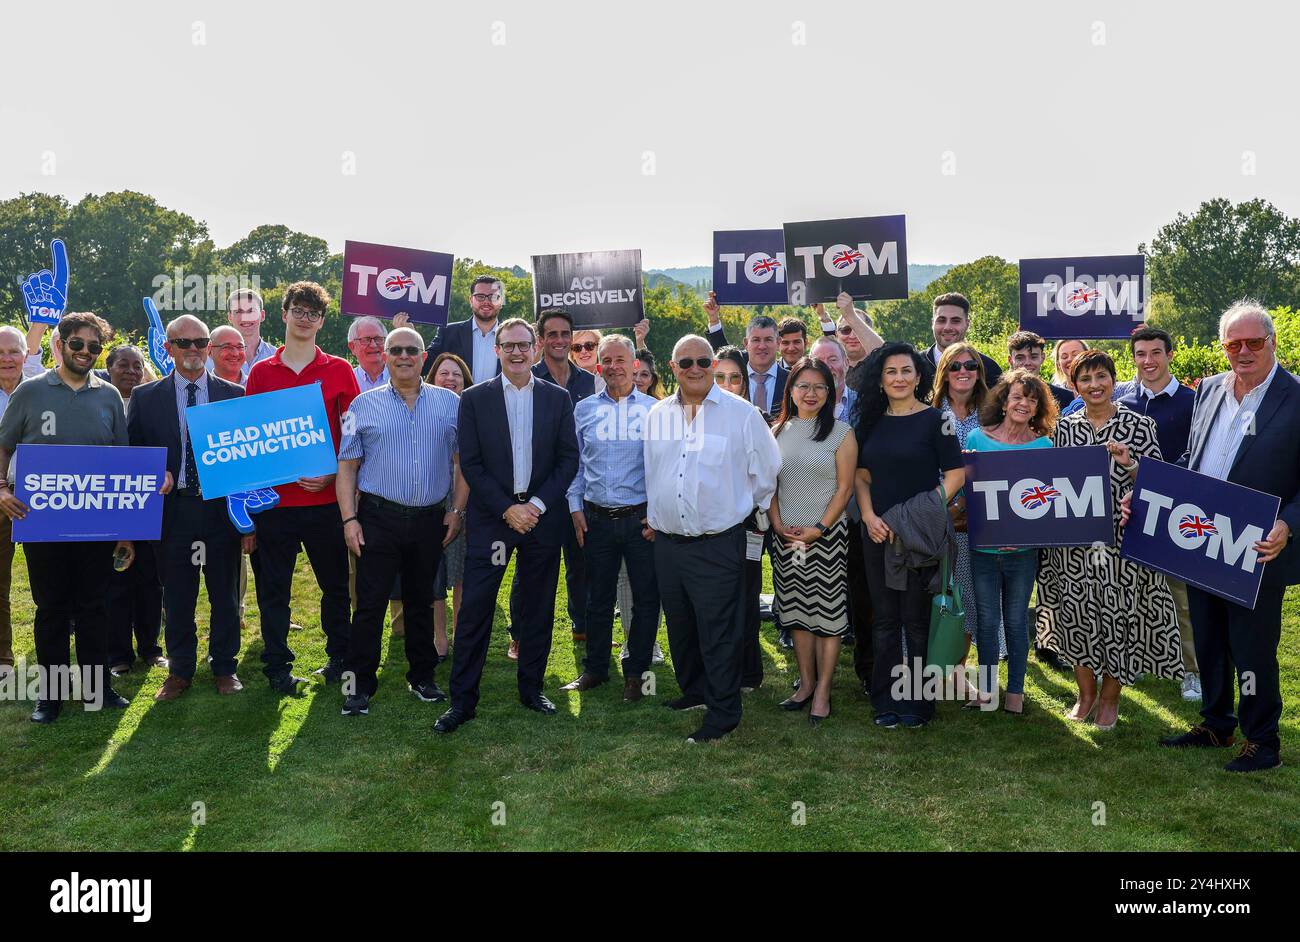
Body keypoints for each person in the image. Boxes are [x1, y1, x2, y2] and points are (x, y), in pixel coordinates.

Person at [1154, 301, 1300, 772]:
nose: (1243, 351)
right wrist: (1148, 486)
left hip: (1256, 546)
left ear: (1272, 342)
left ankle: (1262, 741)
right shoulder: (1210, 390)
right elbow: (1193, 461)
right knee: (1210, 637)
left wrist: (1289, 524)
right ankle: (1217, 721)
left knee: (1252, 646)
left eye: (1253, 342)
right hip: (1202, 539)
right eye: (1233, 344)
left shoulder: (1295, 397)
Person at [0, 312, 149, 723]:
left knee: (94, 606)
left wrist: (126, 532)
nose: (86, 352)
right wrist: (1, 489)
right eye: (78, 344)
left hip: (96, 523)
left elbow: (122, 465)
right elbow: (4, 445)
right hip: (42, 521)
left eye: (94, 347)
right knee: (51, 607)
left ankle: (97, 687)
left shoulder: (109, 398)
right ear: (60, 344)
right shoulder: (29, 392)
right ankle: (50, 695)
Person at [434, 318, 579, 734]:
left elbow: (568, 459)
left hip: (541, 520)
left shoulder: (557, 398)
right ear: (497, 349)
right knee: (476, 609)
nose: (516, 352)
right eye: (508, 346)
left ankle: (531, 689)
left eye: (523, 345)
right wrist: (506, 510)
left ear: (535, 349)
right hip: (493, 522)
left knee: (537, 607)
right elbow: (472, 464)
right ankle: (462, 701)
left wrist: (533, 505)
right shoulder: (475, 399)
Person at [1035, 350, 1181, 731]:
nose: (1094, 385)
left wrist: (1130, 464)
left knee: (1120, 618)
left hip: (1122, 540)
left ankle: (1111, 699)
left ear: (1114, 380)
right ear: (1074, 384)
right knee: (1077, 616)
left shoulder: (1139, 425)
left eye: (1102, 376)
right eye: (1085, 379)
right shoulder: (1063, 430)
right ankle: (1085, 695)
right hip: (1074, 544)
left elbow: (1158, 486)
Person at [645, 335, 781, 743]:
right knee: (681, 624)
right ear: (673, 368)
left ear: (712, 364)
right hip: (668, 543)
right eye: (686, 362)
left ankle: (723, 714)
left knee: (719, 629)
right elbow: (655, 471)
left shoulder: (741, 414)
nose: (695, 368)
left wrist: (741, 510)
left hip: (718, 541)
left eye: (703, 361)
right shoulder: (656, 415)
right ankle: (696, 691)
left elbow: (767, 472)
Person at [337, 326, 466, 716]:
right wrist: (349, 519)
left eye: (412, 349)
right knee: (370, 603)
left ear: (424, 357)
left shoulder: (450, 404)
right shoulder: (360, 406)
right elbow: (346, 467)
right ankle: (359, 685)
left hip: (430, 519)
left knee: (422, 601)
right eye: (396, 350)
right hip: (378, 517)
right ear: (386, 357)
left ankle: (422, 676)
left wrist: (456, 511)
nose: (404, 356)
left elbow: (462, 464)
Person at [245, 281, 360, 693]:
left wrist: (332, 474)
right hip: (274, 505)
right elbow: (250, 438)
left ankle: (340, 657)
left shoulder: (339, 370)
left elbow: (353, 436)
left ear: (322, 321)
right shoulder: (261, 372)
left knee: (334, 587)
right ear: (284, 314)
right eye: (299, 310)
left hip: (325, 500)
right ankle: (276, 666)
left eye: (314, 313)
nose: (306, 318)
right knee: (274, 590)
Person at [128, 314, 246, 700]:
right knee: (177, 594)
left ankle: (224, 667)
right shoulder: (146, 398)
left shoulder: (234, 394)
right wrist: (155, 473)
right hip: (173, 509)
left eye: (201, 342)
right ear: (168, 348)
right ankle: (180, 671)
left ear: (209, 348)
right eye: (184, 343)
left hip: (218, 509)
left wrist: (249, 522)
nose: (193, 350)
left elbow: (245, 460)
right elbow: (136, 452)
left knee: (224, 592)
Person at [853, 342, 964, 729]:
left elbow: (955, 475)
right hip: (878, 534)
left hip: (919, 536)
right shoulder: (868, 421)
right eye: (890, 372)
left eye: (906, 371)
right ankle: (885, 699)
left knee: (916, 622)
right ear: (880, 381)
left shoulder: (938, 420)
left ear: (919, 377)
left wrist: (920, 512)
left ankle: (919, 701)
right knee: (884, 619)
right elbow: (861, 475)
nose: (899, 378)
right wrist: (868, 516)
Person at [562, 334, 660, 700]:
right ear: (598, 366)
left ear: (635, 365)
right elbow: (576, 464)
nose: (614, 366)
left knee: (646, 599)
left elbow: (664, 468)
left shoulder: (654, 410)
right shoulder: (584, 409)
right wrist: (575, 508)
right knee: (597, 599)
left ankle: (636, 672)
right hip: (597, 518)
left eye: (622, 359)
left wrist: (657, 515)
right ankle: (596, 669)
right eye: (607, 360)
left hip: (640, 521)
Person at [768, 357, 857, 724]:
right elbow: (768, 484)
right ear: (791, 389)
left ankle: (823, 691)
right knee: (797, 614)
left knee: (828, 616)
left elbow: (845, 487)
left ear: (830, 392)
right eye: (803, 385)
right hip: (787, 540)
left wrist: (819, 527)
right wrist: (776, 524)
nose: (811, 393)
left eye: (819, 386)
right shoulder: (776, 432)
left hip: (827, 538)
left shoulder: (841, 433)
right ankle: (804, 684)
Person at [964, 370, 1057, 714]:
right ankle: (988, 690)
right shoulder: (977, 438)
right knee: (988, 621)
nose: (1024, 404)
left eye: (1031, 400)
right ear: (1004, 401)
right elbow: (966, 491)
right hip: (983, 551)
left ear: (1037, 409)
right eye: (1018, 396)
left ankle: (1015, 692)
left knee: (1016, 620)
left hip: (1022, 553)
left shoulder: (1043, 445)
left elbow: (1048, 498)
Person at [1117, 325, 1200, 702]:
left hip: (1178, 508)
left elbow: (1198, 454)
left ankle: (1192, 672)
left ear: (1170, 355)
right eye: (1140, 354)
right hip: (1129, 510)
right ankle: (1133, 662)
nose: (1148, 361)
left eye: (1155, 353)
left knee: (1181, 597)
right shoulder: (1122, 400)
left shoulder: (1193, 401)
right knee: (1131, 591)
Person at [524, 309, 595, 643]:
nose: (559, 340)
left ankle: (582, 626)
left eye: (565, 333)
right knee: (535, 565)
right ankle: (520, 634)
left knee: (581, 560)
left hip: (580, 487)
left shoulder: (588, 381)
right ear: (541, 340)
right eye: (551, 334)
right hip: (543, 490)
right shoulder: (528, 378)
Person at [931, 342, 993, 674]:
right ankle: (932, 665)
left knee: (968, 597)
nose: (963, 372)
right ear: (944, 373)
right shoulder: (929, 412)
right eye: (955, 366)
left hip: (977, 521)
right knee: (937, 593)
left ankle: (957, 670)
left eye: (970, 366)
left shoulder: (990, 414)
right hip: (937, 517)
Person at [103, 343, 165, 677]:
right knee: (117, 579)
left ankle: (151, 649)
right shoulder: (97, 401)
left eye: (137, 366)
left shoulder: (152, 401)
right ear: (109, 368)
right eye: (123, 365)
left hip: (148, 503)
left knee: (150, 580)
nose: (130, 371)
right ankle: (118, 655)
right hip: (110, 505)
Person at [712, 346, 768, 687]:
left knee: (746, 596)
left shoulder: (754, 417)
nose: (728, 384)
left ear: (745, 383)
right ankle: (720, 668)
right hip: (709, 527)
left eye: (735, 378)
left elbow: (766, 473)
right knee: (717, 599)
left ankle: (749, 670)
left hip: (747, 525)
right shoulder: (696, 415)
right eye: (720, 377)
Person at [428, 352, 473, 660]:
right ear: (432, 377)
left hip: (466, 498)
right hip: (431, 498)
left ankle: (462, 634)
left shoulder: (474, 408)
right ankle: (438, 637)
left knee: (461, 574)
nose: (450, 379)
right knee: (435, 573)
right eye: (444, 373)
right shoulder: (424, 408)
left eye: (456, 374)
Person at [0, 326, 31, 677]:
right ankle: (3, 658)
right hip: (0, 494)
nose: (6, 358)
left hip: (44, 495)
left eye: (13, 351)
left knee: (55, 577)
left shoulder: (44, 390)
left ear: (26, 354)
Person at [702, 298, 787, 419]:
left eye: (768, 339)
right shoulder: (733, 374)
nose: (762, 346)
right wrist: (713, 319)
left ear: (778, 343)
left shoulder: (792, 380)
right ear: (746, 343)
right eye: (756, 340)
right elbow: (723, 351)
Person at [421, 274, 504, 384]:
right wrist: (409, 335)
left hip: (498, 401)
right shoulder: (448, 333)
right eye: (480, 296)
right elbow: (422, 367)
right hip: (457, 401)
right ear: (470, 300)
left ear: (501, 301)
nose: (486, 302)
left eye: (493, 297)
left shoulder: (513, 336)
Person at [924, 292, 1002, 386]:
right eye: (941, 320)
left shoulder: (989, 368)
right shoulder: (916, 365)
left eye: (955, 321)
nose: (947, 327)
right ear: (932, 323)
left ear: (967, 324)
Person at [213, 288, 277, 381]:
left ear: (262, 315)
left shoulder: (276, 357)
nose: (245, 317)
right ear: (229, 317)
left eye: (251, 311)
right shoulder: (213, 359)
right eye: (239, 311)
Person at [1007, 330, 1074, 411]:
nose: (1027, 363)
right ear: (1010, 360)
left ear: (1042, 358)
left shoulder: (1064, 397)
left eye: (1033, 357)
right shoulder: (1000, 395)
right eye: (1020, 358)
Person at [347, 316, 390, 392]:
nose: (373, 345)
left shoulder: (402, 378)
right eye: (366, 340)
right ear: (352, 347)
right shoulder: (346, 381)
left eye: (378, 339)